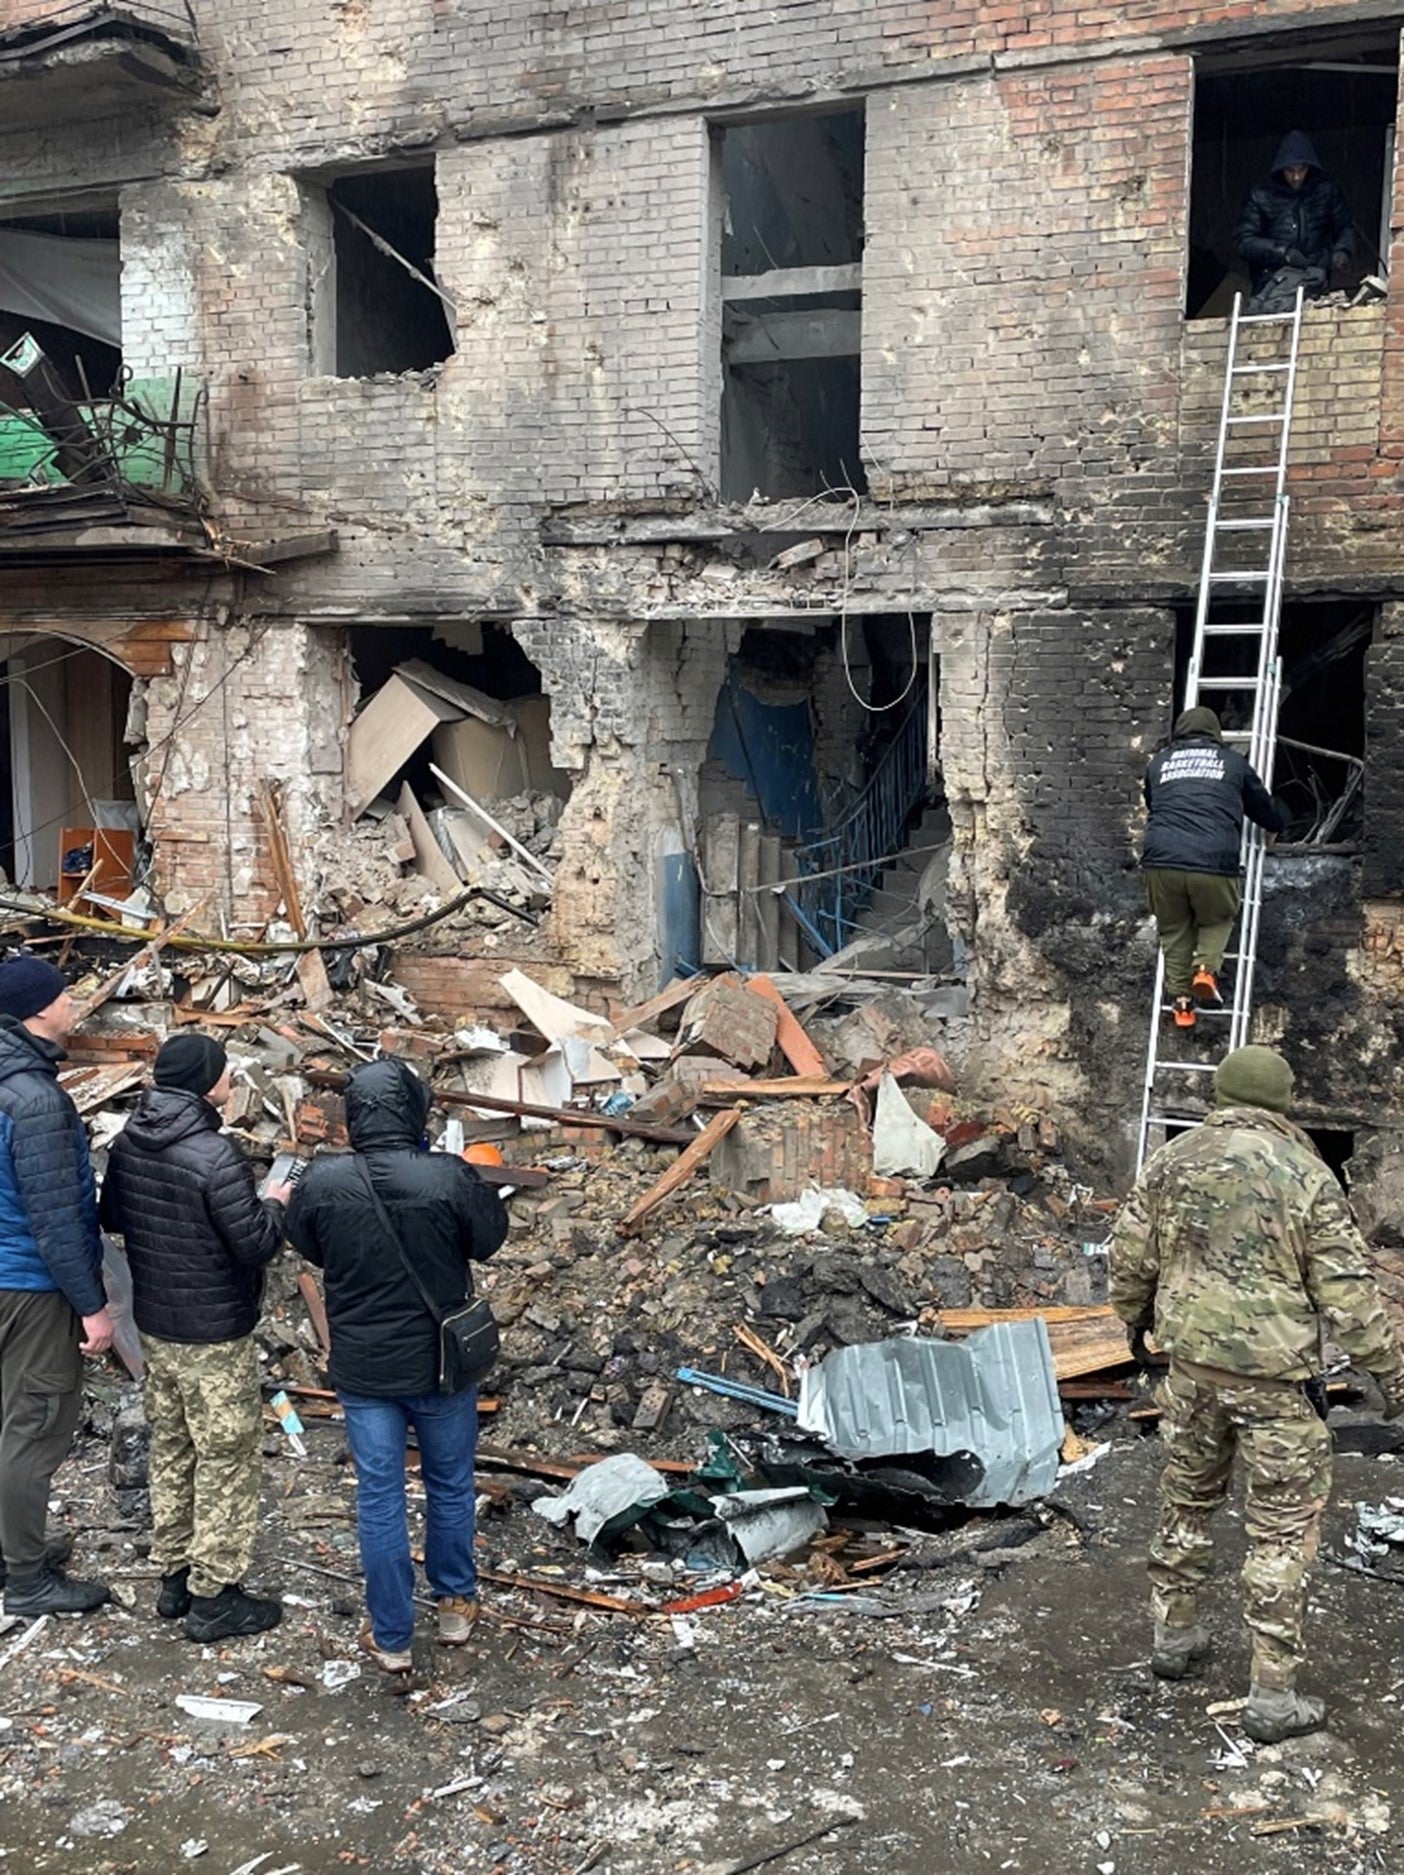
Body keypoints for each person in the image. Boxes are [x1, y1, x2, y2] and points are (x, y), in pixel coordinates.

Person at [1110, 1045, 1404, 1743]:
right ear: (1283, 1101)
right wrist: (1391, 1376)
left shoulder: (1171, 1160)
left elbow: (1130, 1256)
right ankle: (1271, 1694)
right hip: (1276, 1385)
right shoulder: (1305, 1173)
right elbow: (1348, 1295)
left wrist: (1134, 1321)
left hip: (1192, 1372)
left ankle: (1174, 1637)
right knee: (1280, 1530)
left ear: (1219, 1093)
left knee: (1186, 1502)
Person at [285, 1058, 507, 1674]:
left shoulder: (323, 1180)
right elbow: (489, 1239)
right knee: (450, 1483)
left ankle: (392, 1637)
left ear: (355, 1115)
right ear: (414, 1110)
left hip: (364, 1366)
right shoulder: (449, 1176)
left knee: (379, 1496)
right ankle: (455, 1605)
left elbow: (305, 1242)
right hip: (441, 1363)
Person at [100, 1032, 292, 1641]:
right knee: (227, 1455)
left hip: (157, 1323)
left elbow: (112, 1217)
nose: (232, 1082)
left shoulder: (130, 1139)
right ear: (208, 1084)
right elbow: (256, 1244)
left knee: (174, 1445)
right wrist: (275, 1202)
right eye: (227, 1073)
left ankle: (175, 1575)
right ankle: (216, 1595)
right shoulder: (215, 1154)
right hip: (214, 1332)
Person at [0, 954, 113, 1617]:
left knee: (6, 1419)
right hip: (30, 1286)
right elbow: (58, 1218)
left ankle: (13, 1545)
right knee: (34, 1426)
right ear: (40, 1010)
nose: (74, 1003)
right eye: (67, 995)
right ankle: (26, 1578)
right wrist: (92, 1306)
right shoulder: (36, 1100)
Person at [1140, 705, 1289, 1029]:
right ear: (1215, 733)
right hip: (1213, 861)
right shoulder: (1233, 763)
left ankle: (1182, 1003)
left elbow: (1153, 803)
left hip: (1160, 861)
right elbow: (1261, 805)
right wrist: (1276, 824)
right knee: (1217, 917)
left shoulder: (1159, 763)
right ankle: (1206, 970)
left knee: (1174, 929)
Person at [1233, 131, 1355, 308]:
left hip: (1314, 281)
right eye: (1290, 171)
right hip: (1270, 284)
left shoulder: (1326, 192)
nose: (1296, 177)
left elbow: (1345, 227)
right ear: (1280, 169)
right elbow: (1243, 241)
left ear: (1310, 168)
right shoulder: (1261, 195)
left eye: (1301, 170)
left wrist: (1343, 250)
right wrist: (1284, 253)